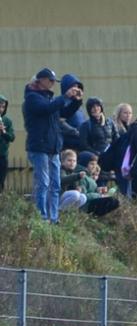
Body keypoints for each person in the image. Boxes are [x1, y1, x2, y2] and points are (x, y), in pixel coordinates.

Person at [24, 69, 84, 222]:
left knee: (55, 185)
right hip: (39, 147)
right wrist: (65, 96)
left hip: (53, 147)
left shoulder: (50, 99)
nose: (52, 83)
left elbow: (63, 112)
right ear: (40, 80)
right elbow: (46, 109)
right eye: (50, 80)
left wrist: (76, 100)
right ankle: (42, 217)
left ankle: (54, 218)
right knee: (43, 184)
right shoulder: (32, 98)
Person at [0, 94, 13, 193]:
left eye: (3, 106)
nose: (1, 109)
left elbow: (11, 137)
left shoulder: (7, 121)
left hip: (2, 156)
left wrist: (3, 132)